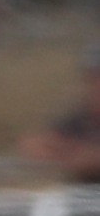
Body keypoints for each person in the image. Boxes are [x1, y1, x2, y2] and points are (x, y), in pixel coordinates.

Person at [23, 51, 100, 184]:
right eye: (93, 79)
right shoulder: (79, 118)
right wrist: (72, 155)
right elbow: (34, 147)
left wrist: (91, 157)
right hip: (82, 196)